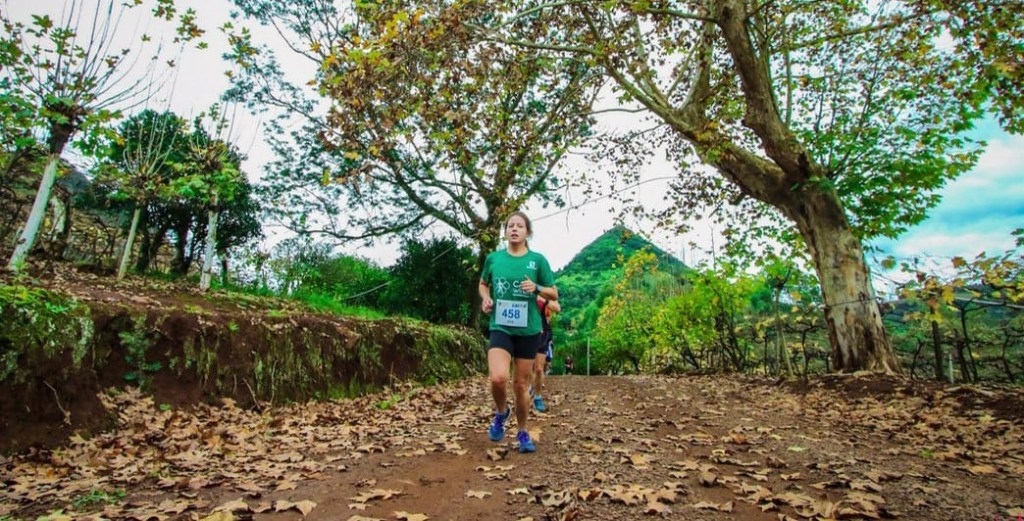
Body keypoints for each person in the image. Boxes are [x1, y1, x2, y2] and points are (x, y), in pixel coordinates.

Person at [479, 211, 557, 453]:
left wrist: (537, 287)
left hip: (529, 330)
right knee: (498, 378)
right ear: (505, 232)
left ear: (527, 232)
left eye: (519, 226)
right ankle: (502, 412)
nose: (514, 229)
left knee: (521, 385)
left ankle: (523, 431)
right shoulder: (494, 259)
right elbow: (483, 284)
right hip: (500, 326)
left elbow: (554, 293)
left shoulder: (538, 260)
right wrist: (486, 298)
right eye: (510, 226)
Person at [531, 296, 560, 412]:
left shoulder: (544, 291)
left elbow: (557, 308)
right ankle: (526, 391)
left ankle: (537, 397)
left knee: (539, 369)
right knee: (526, 367)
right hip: (524, 332)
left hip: (541, 332)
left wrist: (542, 298)